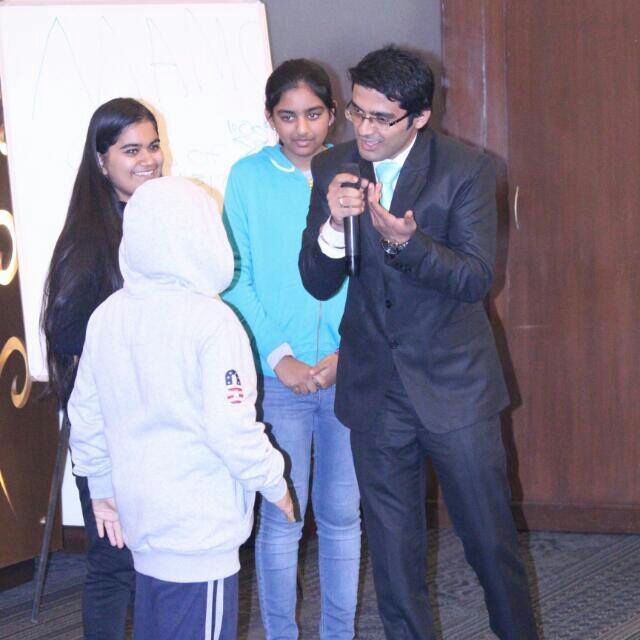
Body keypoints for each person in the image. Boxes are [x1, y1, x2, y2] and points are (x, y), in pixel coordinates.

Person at [299, 46, 539, 640]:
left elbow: (476, 278)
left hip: (454, 388)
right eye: (357, 113)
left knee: (490, 545)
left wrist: (407, 244)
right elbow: (317, 281)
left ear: (420, 116)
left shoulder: (468, 169)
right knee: (394, 557)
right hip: (375, 390)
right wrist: (332, 227)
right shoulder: (332, 168)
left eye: (382, 118)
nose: (365, 130)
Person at [67, 176, 295, 640]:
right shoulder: (212, 321)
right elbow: (232, 430)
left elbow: (86, 416)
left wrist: (101, 487)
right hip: (199, 537)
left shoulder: (108, 315)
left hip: (142, 525)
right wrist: (276, 484)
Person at [222, 59, 361, 640]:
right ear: (269, 117)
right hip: (280, 380)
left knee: (343, 517)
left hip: (348, 373)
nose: (301, 128)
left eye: (313, 114)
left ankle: (338, 634)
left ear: (333, 115)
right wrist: (280, 357)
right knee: (283, 517)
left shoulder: (357, 173)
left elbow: (376, 276)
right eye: (287, 116)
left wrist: (347, 353)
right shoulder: (248, 178)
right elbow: (236, 277)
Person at [41, 97, 164, 640]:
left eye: (153, 146)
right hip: (110, 428)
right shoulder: (88, 237)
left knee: (159, 559)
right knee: (114, 563)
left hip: (161, 419)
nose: (148, 159)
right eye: (131, 150)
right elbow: (65, 332)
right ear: (101, 160)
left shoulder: (162, 220)